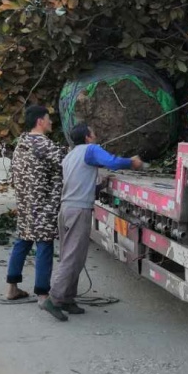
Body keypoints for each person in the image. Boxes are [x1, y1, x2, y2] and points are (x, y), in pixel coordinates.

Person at [41, 124, 143, 322]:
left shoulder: (70, 155)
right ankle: (54, 299)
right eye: (93, 133)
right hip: (79, 210)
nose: (96, 136)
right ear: (88, 137)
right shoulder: (91, 150)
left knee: (71, 255)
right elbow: (111, 162)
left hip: (67, 208)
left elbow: (78, 182)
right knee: (73, 256)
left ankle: (67, 299)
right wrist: (132, 163)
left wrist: (100, 186)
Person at [5, 104, 64, 304]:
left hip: (25, 204)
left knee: (22, 241)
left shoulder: (21, 142)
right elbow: (65, 166)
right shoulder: (45, 145)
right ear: (40, 121)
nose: (51, 122)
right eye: (49, 118)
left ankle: (12, 288)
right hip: (44, 205)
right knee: (45, 246)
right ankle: (43, 294)